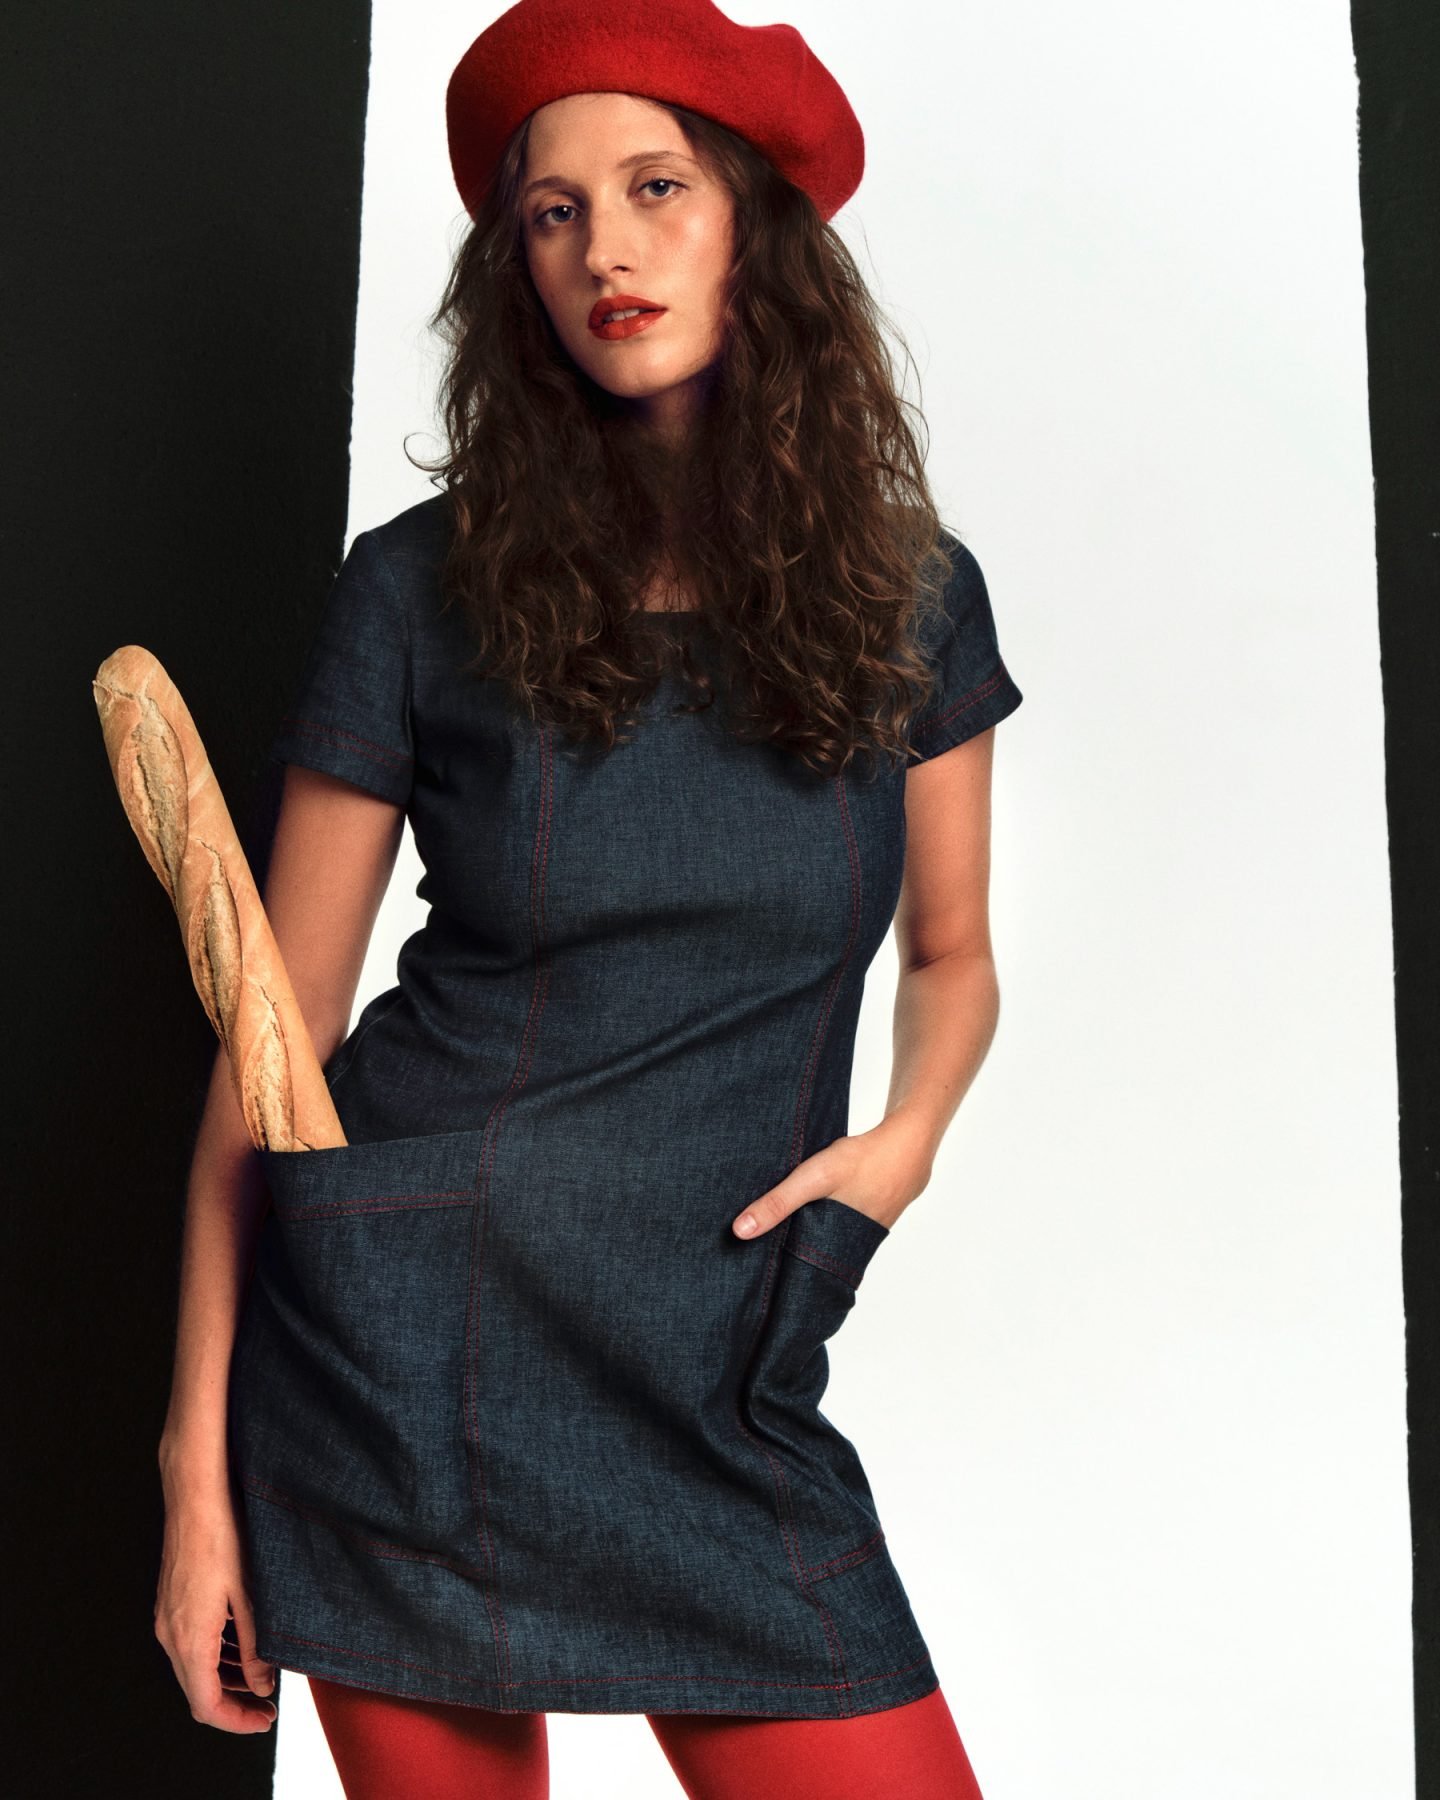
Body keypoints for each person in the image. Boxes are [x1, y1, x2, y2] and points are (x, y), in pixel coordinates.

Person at [153, 3, 1023, 1794]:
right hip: (400, 1363)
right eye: (553, 213)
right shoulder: (415, 592)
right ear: (516, 270)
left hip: (714, 1357)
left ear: (754, 225)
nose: (605, 248)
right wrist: (194, 1484)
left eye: (655, 188)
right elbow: (272, 1036)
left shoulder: (914, 596)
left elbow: (952, 951)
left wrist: (905, 1142)